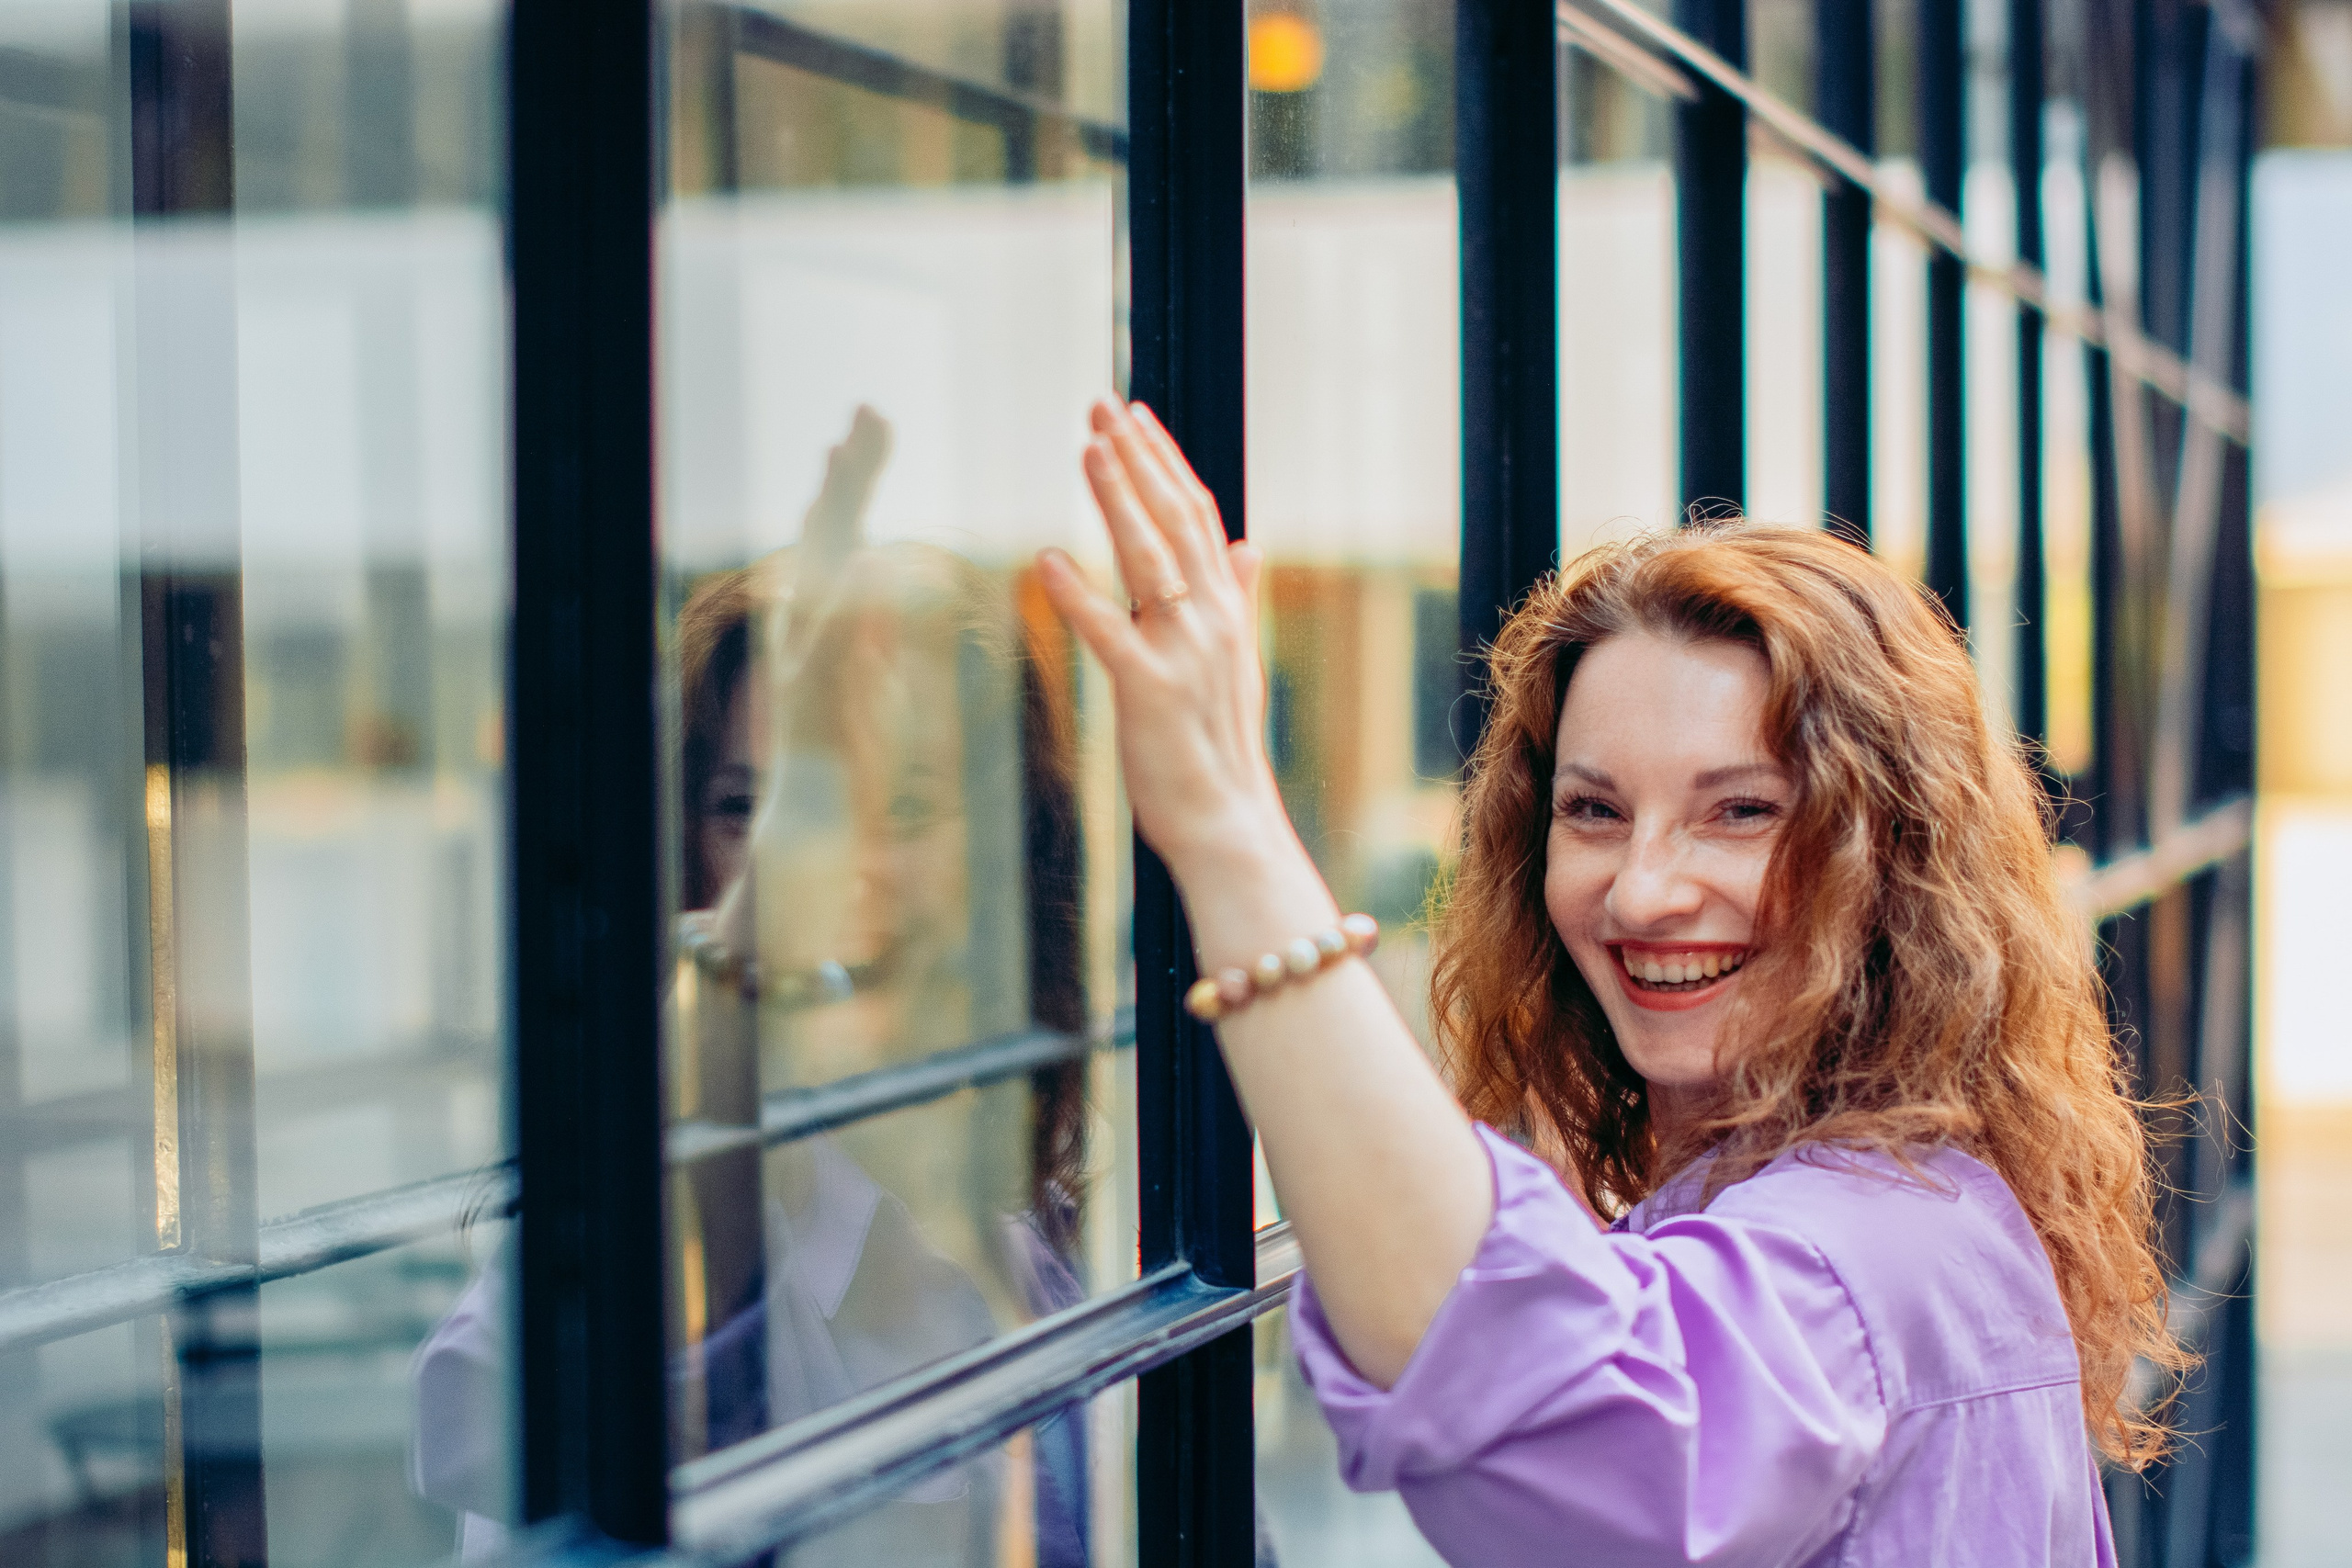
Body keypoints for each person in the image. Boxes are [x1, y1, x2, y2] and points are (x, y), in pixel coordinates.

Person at [1034, 399, 2182, 1565]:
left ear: (1892, 856)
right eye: (1593, 811)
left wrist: (1228, 827)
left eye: (1741, 812)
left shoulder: (1872, 1247)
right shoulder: (1889, 1197)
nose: (1641, 894)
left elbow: (1539, 1399)